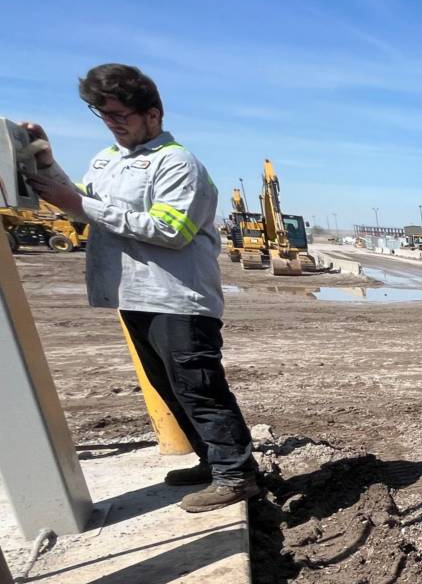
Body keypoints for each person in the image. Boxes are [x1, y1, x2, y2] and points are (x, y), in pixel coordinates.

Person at [25, 64, 259, 513]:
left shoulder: (177, 163)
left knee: (199, 388)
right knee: (169, 388)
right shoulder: (106, 160)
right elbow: (81, 207)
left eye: (121, 115)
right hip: (133, 294)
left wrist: (83, 204)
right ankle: (214, 461)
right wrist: (45, 161)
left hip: (178, 298)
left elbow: (172, 230)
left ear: (152, 115)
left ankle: (237, 473)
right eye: (104, 114)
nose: (113, 123)